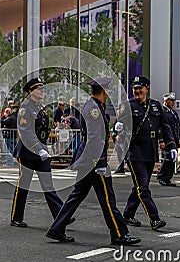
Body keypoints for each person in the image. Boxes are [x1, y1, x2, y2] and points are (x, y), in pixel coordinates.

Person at [46, 77, 141, 246]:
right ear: (104, 91)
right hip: (93, 161)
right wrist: (101, 163)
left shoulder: (93, 106)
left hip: (86, 160)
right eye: (108, 90)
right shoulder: (94, 110)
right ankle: (119, 234)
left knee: (76, 196)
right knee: (107, 199)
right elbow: (95, 139)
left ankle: (57, 228)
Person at [11, 77, 74, 228]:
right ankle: (16, 217)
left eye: (42, 88)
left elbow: (44, 130)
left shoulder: (41, 107)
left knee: (48, 185)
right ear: (31, 92)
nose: (42, 91)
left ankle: (60, 215)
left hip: (42, 152)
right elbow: (26, 131)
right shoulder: (26, 108)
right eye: (39, 89)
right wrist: (38, 148)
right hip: (28, 152)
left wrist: (50, 143)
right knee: (24, 185)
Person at [119, 76, 177, 231]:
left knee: (138, 186)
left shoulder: (156, 106)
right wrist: (116, 130)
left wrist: (171, 146)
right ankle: (154, 218)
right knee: (143, 187)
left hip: (150, 151)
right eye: (135, 88)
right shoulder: (128, 106)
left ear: (147, 88)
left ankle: (128, 215)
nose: (137, 91)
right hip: (135, 152)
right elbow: (118, 128)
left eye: (140, 88)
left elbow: (165, 127)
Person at [157, 92, 180, 186]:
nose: (173, 103)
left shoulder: (173, 113)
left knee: (172, 159)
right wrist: (161, 140)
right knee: (168, 158)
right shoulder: (162, 112)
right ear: (166, 101)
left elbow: (178, 126)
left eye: (173, 101)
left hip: (174, 139)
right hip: (167, 140)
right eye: (171, 101)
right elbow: (160, 127)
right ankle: (161, 176)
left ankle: (167, 178)